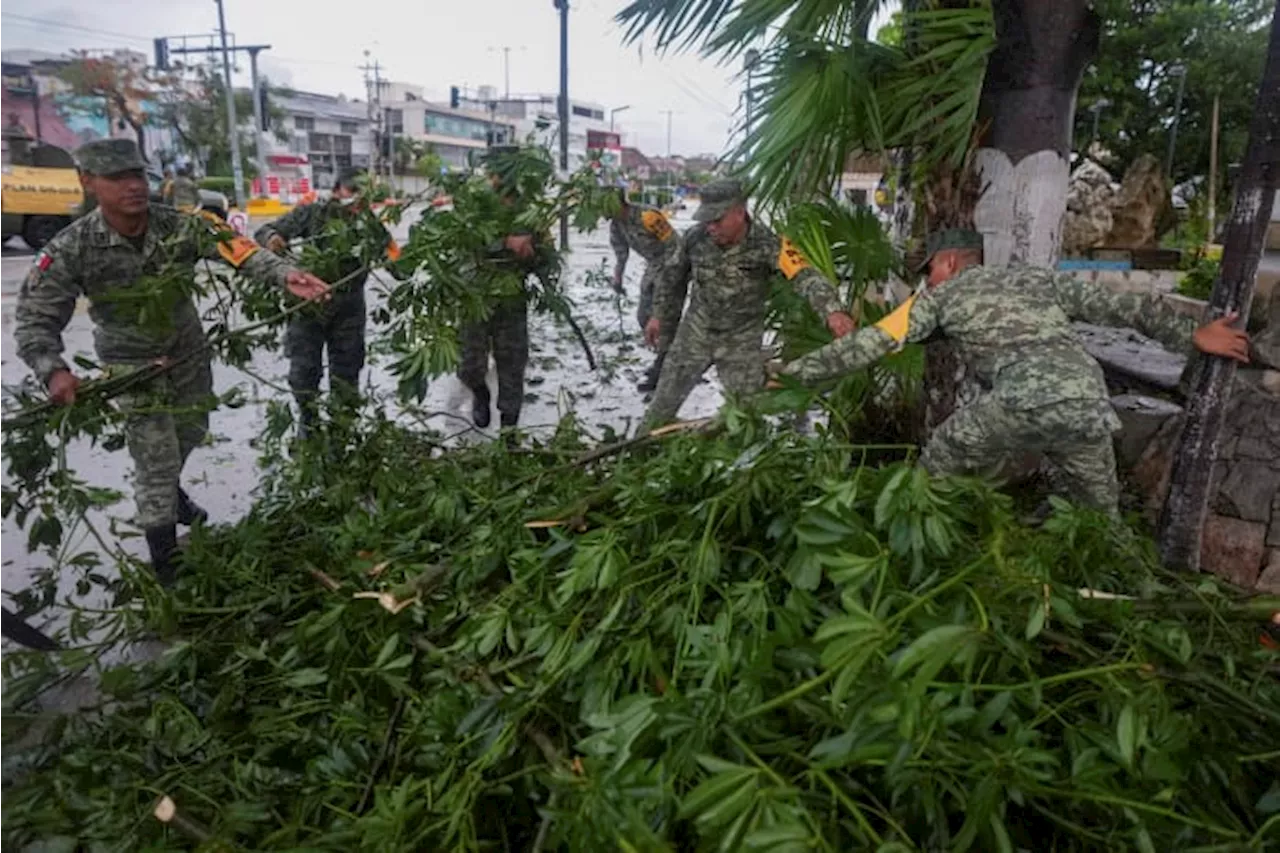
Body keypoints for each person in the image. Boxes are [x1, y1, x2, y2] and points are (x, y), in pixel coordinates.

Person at [14, 138, 330, 584]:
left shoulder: (179, 226)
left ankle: (171, 495)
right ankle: (167, 565)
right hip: (132, 370)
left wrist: (286, 275)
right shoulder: (72, 247)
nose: (132, 187)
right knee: (156, 460)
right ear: (89, 182)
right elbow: (34, 318)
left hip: (187, 356)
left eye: (137, 175)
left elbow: (236, 249)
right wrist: (54, 370)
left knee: (191, 431)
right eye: (117, 178)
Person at [773, 228, 1251, 515]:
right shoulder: (1034, 278)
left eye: (929, 269)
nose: (926, 279)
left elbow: (871, 343)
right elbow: (1120, 307)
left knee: (940, 455)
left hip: (1021, 399)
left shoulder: (941, 295)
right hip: (1087, 400)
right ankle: (1118, 595)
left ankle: (913, 530)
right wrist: (1191, 334)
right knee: (1099, 516)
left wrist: (796, 374)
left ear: (951, 262)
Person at [642, 178, 857, 427]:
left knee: (745, 418)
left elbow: (805, 275)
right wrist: (659, 317)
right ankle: (638, 455)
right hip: (695, 336)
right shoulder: (694, 239)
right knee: (658, 411)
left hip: (740, 344)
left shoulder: (770, 244)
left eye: (717, 220)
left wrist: (832, 311)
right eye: (706, 220)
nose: (710, 227)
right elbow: (672, 280)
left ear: (739, 212)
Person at [255, 168, 401, 437]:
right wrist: (273, 240)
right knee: (303, 369)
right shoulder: (313, 212)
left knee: (347, 371)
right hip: (310, 303)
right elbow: (266, 230)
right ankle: (307, 420)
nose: (357, 201)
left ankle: (342, 427)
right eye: (352, 193)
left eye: (363, 196)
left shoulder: (369, 224)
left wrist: (410, 256)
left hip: (349, 307)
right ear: (337, 192)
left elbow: (396, 263)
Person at [458, 147, 554, 431]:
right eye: (495, 170)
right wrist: (504, 242)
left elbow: (546, 256)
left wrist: (533, 252)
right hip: (475, 294)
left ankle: (509, 431)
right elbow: (463, 239)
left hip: (512, 298)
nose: (497, 176)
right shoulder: (474, 201)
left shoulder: (529, 208)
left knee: (512, 364)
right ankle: (480, 392)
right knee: (470, 363)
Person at [608, 188, 681, 391]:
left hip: (673, 266)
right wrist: (618, 279)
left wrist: (670, 281)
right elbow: (621, 253)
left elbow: (675, 245)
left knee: (663, 319)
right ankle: (667, 358)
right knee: (644, 317)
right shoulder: (617, 225)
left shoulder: (648, 216)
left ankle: (663, 370)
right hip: (653, 266)